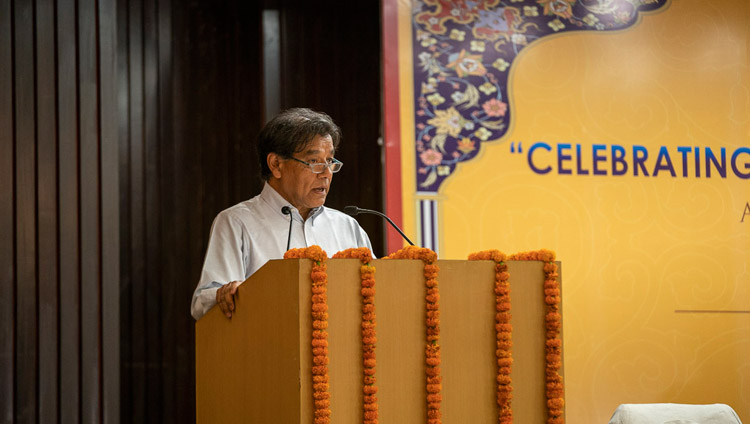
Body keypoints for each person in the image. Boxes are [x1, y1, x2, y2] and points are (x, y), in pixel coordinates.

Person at [190, 108, 373, 320]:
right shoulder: (237, 222)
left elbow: (376, 293)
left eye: (330, 162)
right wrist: (227, 294)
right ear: (276, 165)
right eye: (314, 162)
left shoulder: (347, 227)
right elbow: (202, 304)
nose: (326, 174)